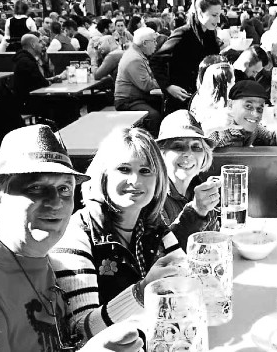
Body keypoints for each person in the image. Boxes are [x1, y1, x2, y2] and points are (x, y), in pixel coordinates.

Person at [0, 124, 146, 351]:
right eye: (37, 187)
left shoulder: (45, 260)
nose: (56, 202)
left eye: (64, 189)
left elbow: (69, 338)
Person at [51, 127, 186, 342]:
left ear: (158, 179)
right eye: (124, 169)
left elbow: (185, 277)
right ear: (103, 175)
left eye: (145, 171)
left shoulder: (152, 224)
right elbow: (80, 330)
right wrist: (141, 293)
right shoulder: (78, 233)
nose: (135, 180)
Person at [156, 111, 221, 250]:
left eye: (196, 147)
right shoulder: (154, 198)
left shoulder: (199, 187)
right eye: (178, 146)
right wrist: (196, 211)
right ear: (161, 153)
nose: (189, 154)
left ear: (205, 155)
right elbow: (165, 254)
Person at [151, 0, 221, 114]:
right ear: (200, 13)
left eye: (219, 15)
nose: (218, 20)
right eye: (214, 15)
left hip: (201, 98)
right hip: (181, 100)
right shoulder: (183, 33)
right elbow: (156, 60)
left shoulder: (210, 35)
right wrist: (168, 87)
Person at [208, 80, 277, 148]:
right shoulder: (215, 131)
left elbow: (274, 141)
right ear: (230, 105)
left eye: (259, 109)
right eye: (248, 106)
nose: (255, 114)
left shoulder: (253, 128)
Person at [114, 27, 162, 136]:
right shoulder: (134, 58)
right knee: (154, 116)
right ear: (145, 43)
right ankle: (151, 143)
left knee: (164, 105)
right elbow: (146, 84)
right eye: (154, 41)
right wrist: (165, 83)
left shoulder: (138, 54)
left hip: (138, 97)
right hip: (127, 101)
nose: (156, 44)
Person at [189, 62, 235, 133]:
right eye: (233, 81)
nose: (234, 85)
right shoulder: (204, 105)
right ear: (226, 85)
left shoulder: (200, 97)